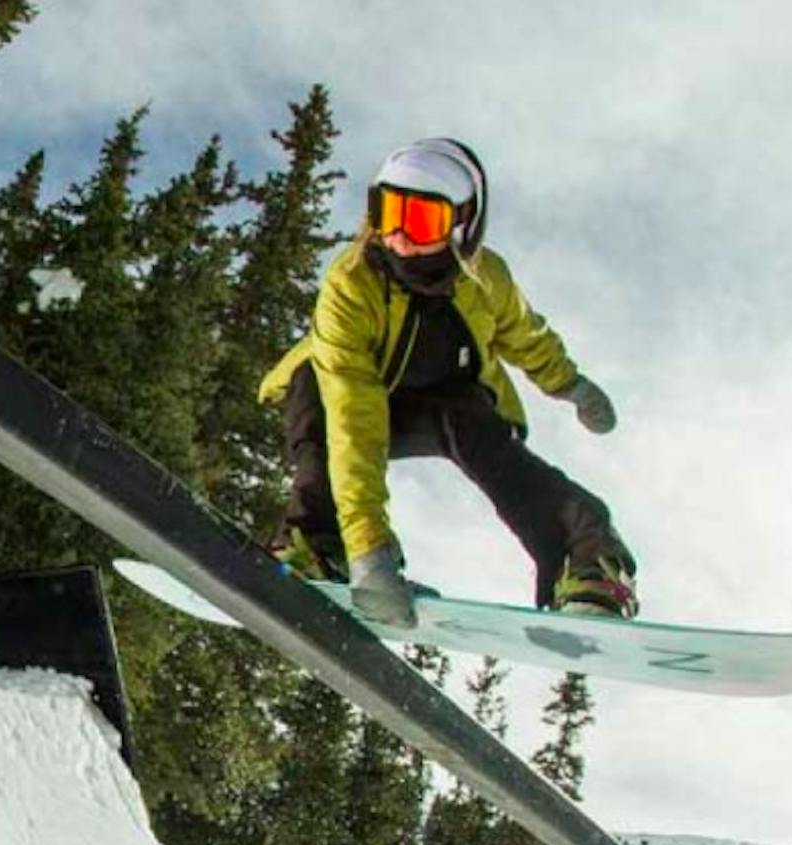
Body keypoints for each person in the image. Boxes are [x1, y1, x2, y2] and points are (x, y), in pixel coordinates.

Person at [259, 137, 638, 628]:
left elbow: (525, 335)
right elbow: (354, 415)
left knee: (483, 436)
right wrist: (368, 551)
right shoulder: (351, 284)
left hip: (447, 401)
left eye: (420, 220)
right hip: (352, 396)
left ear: (463, 224)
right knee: (317, 397)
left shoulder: (485, 278)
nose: (398, 235)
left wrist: (571, 386)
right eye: (387, 211)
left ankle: (590, 562)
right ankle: (317, 542)